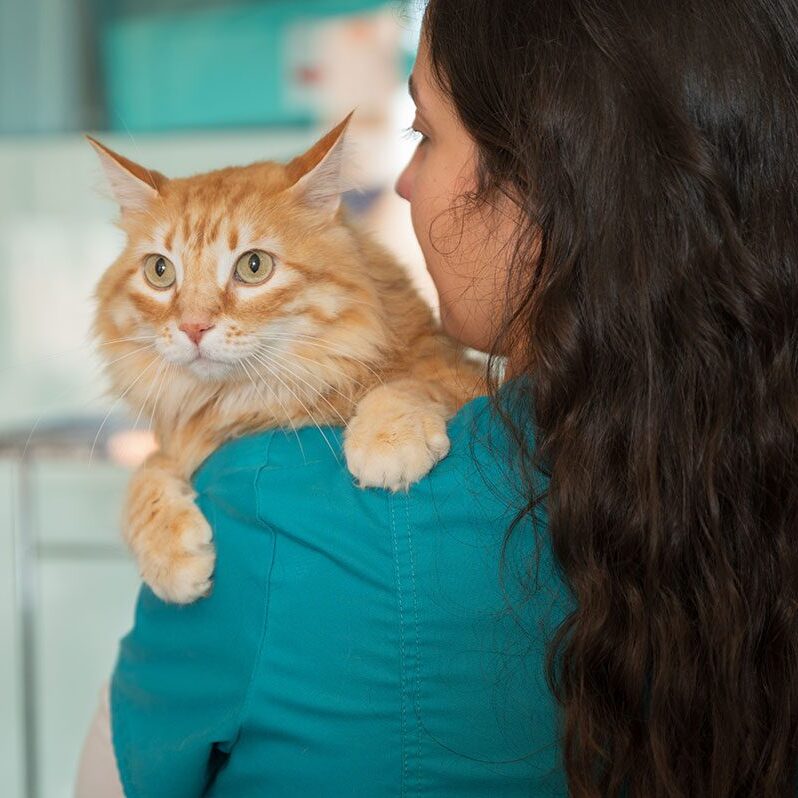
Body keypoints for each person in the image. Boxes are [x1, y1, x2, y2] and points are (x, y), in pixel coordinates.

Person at [75, 0, 798, 795]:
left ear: (547, 173)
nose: (405, 181)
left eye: (425, 133)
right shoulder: (755, 458)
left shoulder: (259, 508)